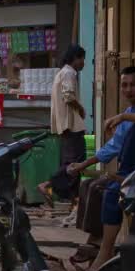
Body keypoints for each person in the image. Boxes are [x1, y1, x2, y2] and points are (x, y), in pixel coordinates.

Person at [68, 66, 135, 271]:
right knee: (90, 186)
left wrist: (122, 117)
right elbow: (112, 148)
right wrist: (83, 165)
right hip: (131, 170)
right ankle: (96, 242)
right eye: (124, 85)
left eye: (133, 85)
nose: (128, 89)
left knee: (112, 190)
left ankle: (105, 251)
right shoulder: (129, 115)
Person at [37, 45, 87, 207]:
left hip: (66, 126)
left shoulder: (62, 73)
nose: (83, 63)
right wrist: (81, 109)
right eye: (81, 59)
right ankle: (47, 184)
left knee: (71, 163)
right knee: (75, 164)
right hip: (71, 125)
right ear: (75, 58)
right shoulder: (69, 73)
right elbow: (68, 96)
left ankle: (74, 200)